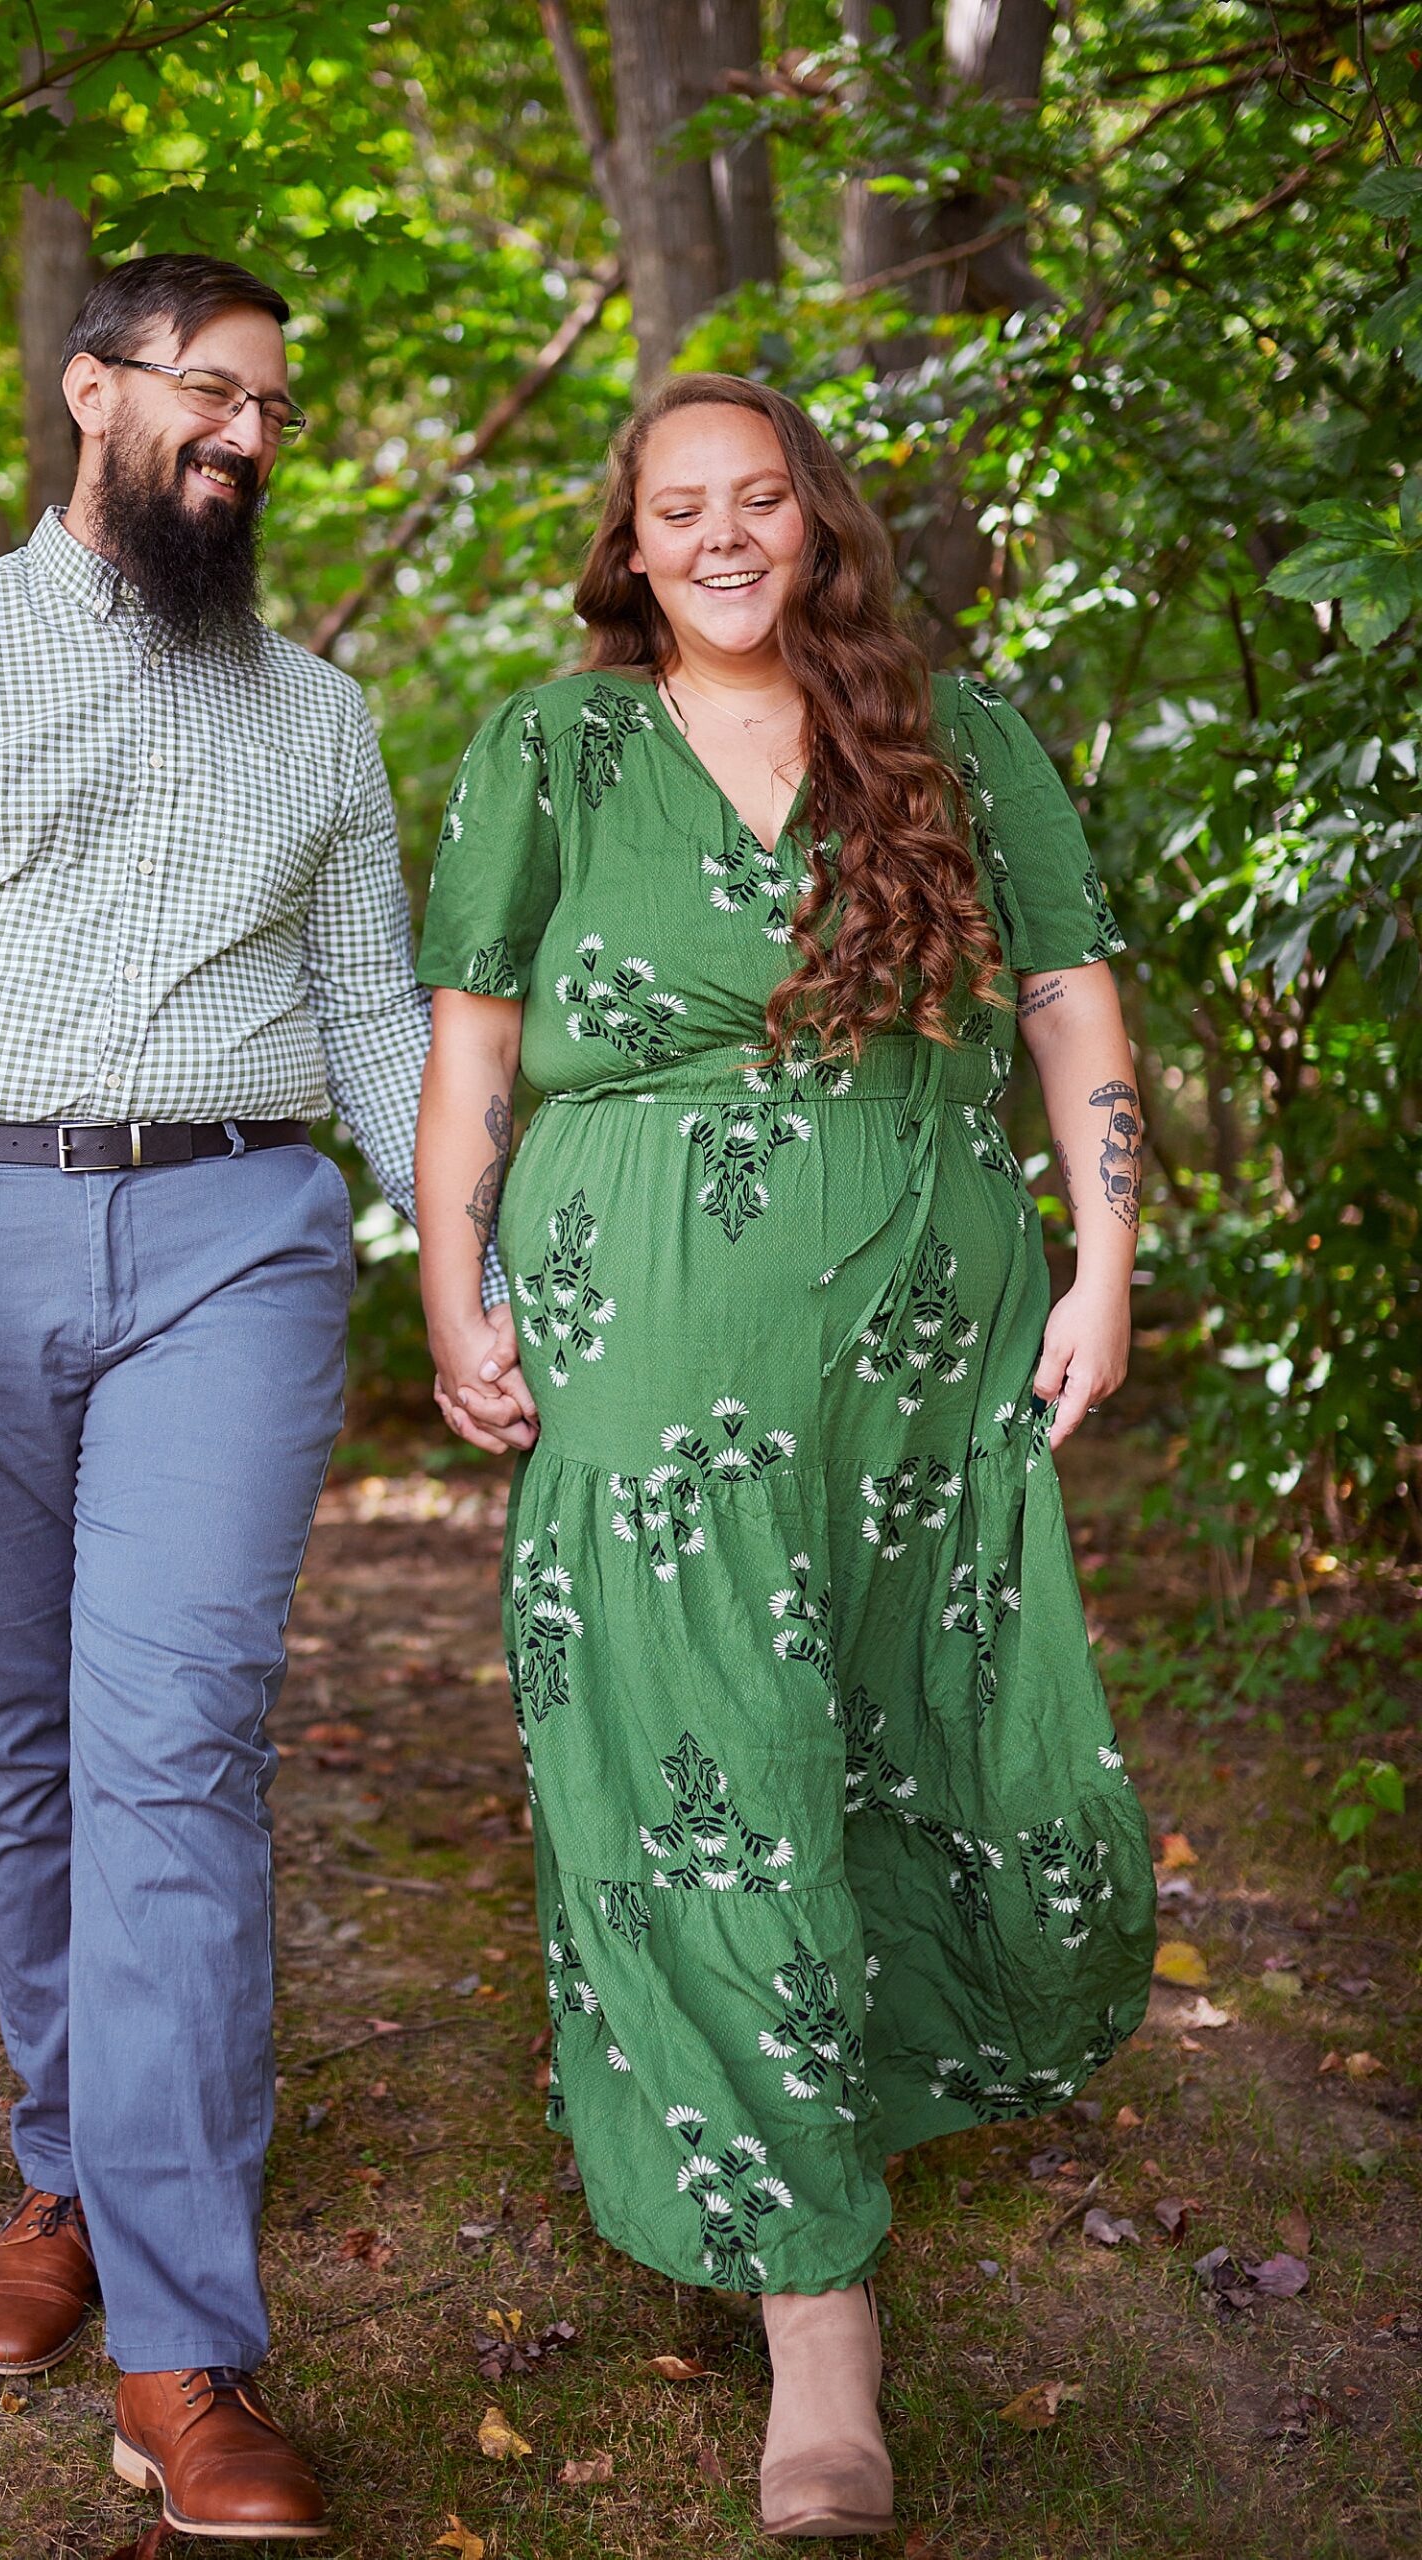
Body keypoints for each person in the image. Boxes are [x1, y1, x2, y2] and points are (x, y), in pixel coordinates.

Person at [0, 252, 442, 2541]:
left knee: (177, 1742)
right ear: (93, 390)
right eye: (214, 391)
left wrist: (486, 1273)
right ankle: (65, 2169)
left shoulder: (318, 721)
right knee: (22, 1740)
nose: (248, 434)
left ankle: (175, 2337)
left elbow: (381, 1035)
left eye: (276, 411)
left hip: (234, 1243)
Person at [414, 373, 1157, 2539]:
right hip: (645, 1359)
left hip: (928, 1346)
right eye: (677, 510)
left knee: (944, 1736)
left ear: (815, 524)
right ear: (628, 545)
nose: (721, 537)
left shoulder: (955, 730)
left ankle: (900, 2060)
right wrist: (457, 1289)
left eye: (758, 501)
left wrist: (1108, 1262)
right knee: (698, 1753)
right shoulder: (549, 749)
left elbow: (1070, 1006)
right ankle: (815, 2304)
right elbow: (471, 1046)